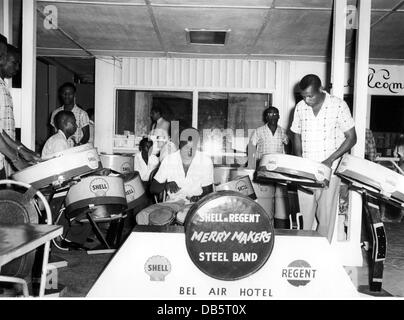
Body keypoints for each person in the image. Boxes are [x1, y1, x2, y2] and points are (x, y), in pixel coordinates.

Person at [290, 74, 357, 242]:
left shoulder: (338, 105)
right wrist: (299, 160)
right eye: (303, 96)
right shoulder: (300, 107)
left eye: (310, 96)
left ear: (320, 89)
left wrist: (330, 160)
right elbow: (296, 134)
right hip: (306, 172)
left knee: (325, 220)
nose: (306, 100)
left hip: (330, 172)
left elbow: (352, 138)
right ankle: (304, 256)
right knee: (303, 219)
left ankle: (322, 255)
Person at [0, 43, 40, 177]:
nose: (17, 68)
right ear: (2, 59)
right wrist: (16, 159)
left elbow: (2, 132)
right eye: (14, 62)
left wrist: (22, 150)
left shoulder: (3, 86)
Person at [249, 106, 290, 229]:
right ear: (266, 117)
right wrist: (252, 166)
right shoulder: (259, 131)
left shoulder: (283, 131)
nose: (273, 116)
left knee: (281, 199)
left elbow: (288, 144)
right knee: (266, 198)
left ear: (279, 116)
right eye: (270, 114)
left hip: (280, 170)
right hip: (264, 170)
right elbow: (251, 147)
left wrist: (287, 160)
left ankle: (280, 229)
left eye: (275, 114)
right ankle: (265, 226)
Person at [150, 127, 214, 203]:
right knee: (144, 215)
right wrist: (166, 185)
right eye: (186, 146)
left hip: (196, 205)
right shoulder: (169, 160)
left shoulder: (205, 161)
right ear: (180, 144)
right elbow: (153, 189)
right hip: (173, 204)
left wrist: (198, 198)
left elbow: (208, 192)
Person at [50, 82, 90, 146]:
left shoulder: (82, 114)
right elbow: (53, 133)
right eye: (64, 93)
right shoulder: (55, 113)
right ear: (61, 94)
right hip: (60, 149)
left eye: (70, 94)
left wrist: (79, 145)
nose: (67, 96)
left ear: (74, 95)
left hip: (75, 151)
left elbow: (86, 135)